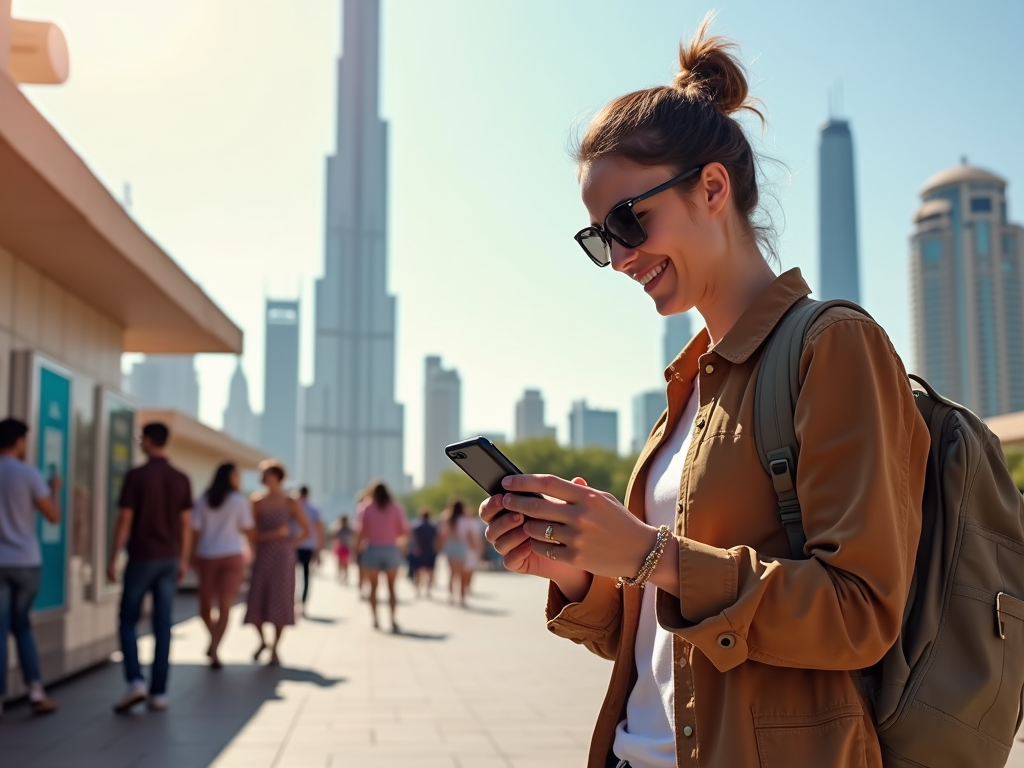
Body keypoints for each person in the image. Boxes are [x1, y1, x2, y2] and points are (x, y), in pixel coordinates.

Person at [479, 19, 929, 768]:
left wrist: (652, 554)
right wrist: (577, 570)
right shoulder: (689, 388)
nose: (620, 257)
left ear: (712, 187)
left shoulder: (831, 345)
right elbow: (665, 640)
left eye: (629, 220)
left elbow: (861, 613)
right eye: (600, 238)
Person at [108, 422, 193, 714]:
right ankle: (159, 693)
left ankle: (135, 680)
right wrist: (183, 559)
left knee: (128, 619)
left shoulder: (137, 476)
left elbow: (125, 520)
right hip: (169, 558)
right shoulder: (181, 478)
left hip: (142, 557)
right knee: (162, 624)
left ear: (148, 440)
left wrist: (112, 557)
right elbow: (185, 525)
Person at [0, 418, 60, 719]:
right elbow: (52, 516)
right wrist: (53, 492)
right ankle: (35, 691)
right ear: (21, 442)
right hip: (25, 561)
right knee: (21, 625)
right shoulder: (29, 474)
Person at [243, 461, 309, 666]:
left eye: (265, 473)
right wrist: (274, 535)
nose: (262, 477)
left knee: (281, 601)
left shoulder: (290, 501)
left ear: (276, 476)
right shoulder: (257, 501)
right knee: (257, 600)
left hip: (283, 558)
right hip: (263, 555)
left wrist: (291, 544)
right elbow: (252, 535)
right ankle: (263, 641)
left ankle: (275, 648)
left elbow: (306, 529)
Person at [191, 462, 253, 669]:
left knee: (215, 605)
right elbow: (247, 529)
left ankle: (214, 647)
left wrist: (191, 553)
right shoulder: (228, 500)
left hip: (217, 556)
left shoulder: (210, 500)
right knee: (215, 606)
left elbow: (195, 531)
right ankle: (215, 642)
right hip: (222, 555)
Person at [354, 482, 408, 632]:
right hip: (391, 549)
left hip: (372, 549)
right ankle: (392, 620)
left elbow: (361, 531)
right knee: (392, 588)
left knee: (373, 588)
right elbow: (404, 531)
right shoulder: (397, 508)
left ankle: (376, 620)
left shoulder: (365, 507)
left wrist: (357, 549)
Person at [439, 501, 481, 607]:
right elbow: (470, 536)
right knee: (462, 573)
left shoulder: (447, 518)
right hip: (461, 546)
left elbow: (443, 535)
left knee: (452, 573)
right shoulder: (465, 519)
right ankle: (462, 597)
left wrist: (440, 547)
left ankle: (451, 596)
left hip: (450, 546)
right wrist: (476, 548)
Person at [294, 486, 324, 614]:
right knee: (306, 576)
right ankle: (303, 604)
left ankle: (293, 603)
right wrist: (318, 550)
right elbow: (319, 530)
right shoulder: (314, 509)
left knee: (291, 576)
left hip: (293, 545)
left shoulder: (293, 507)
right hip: (308, 547)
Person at [409, 509, 438, 598]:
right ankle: (428, 590)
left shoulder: (416, 527)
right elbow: (437, 540)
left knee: (417, 572)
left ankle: (417, 590)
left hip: (419, 551)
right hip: (430, 551)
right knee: (430, 571)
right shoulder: (433, 527)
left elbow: (412, 540)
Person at [333, 516, 354, 584]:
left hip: (346, 548)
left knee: (345, 564)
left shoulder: (349, 529)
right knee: (341, 563)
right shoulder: (340, 529)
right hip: (341, 548)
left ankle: (344, 576)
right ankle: (341, 576)